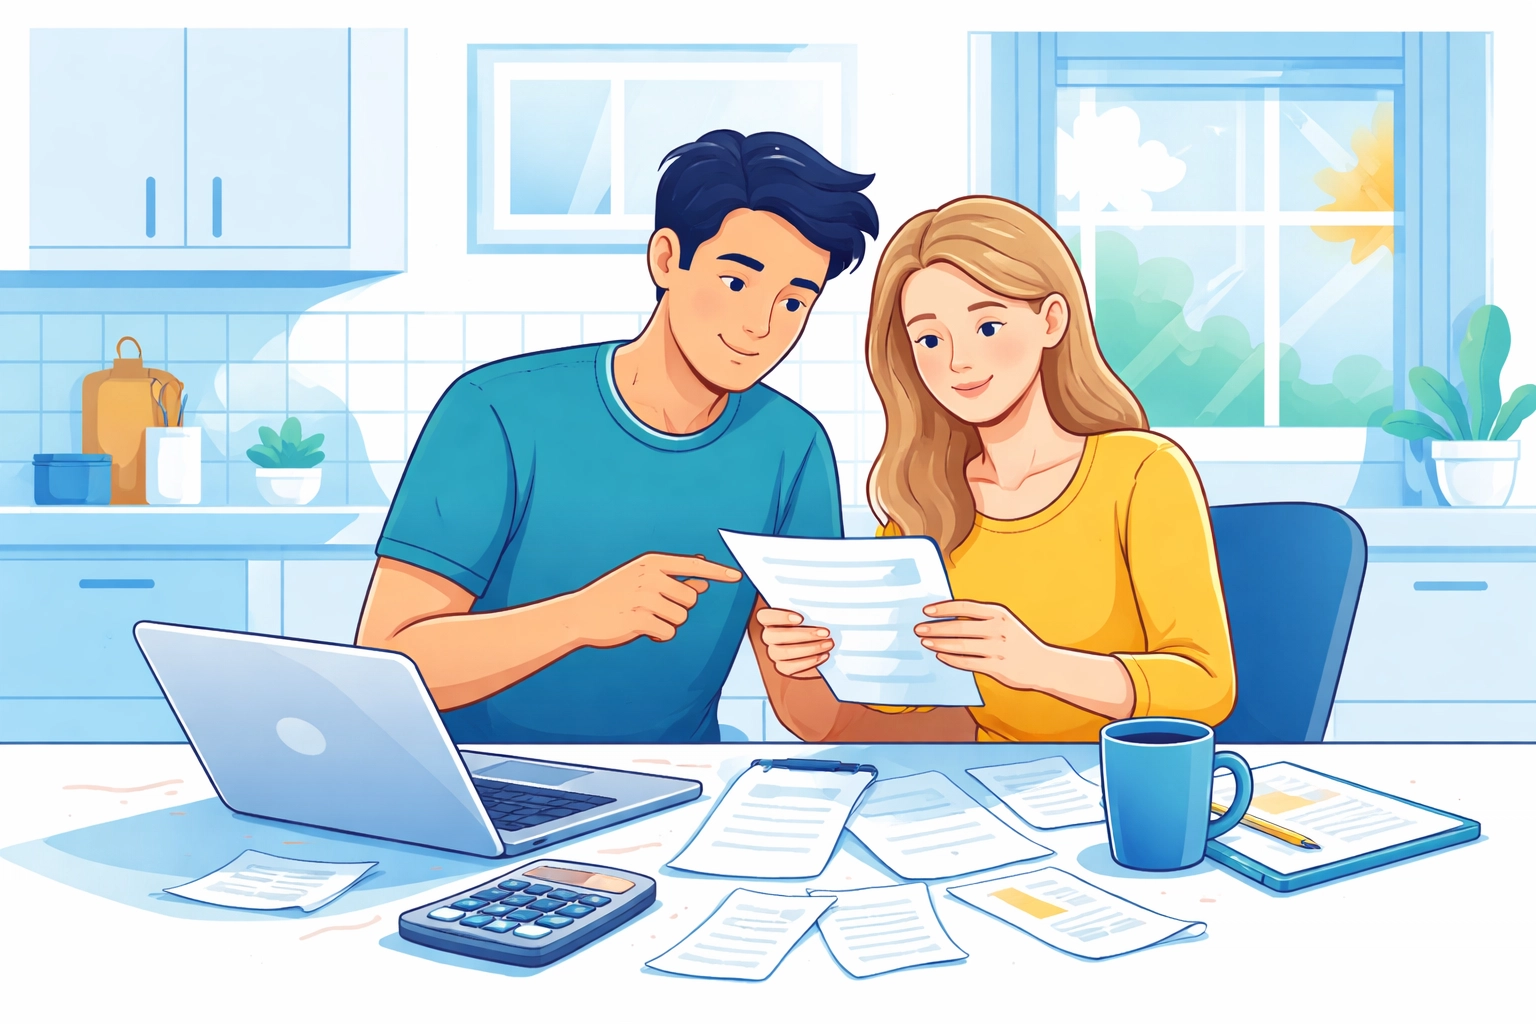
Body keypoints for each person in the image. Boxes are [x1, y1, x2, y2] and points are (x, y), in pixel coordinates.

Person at [355, 129, 878, 744]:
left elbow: (806, 713)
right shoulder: (495, 410)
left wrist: (833, 668)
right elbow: (388, 664)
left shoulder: (793, 445)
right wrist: (582, 617)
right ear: (666, 259)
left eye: (795, 302)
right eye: (736, 283)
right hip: (489, 782)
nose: (760, 326)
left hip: (683, 789)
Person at [753, 195, 1236, 743]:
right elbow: (906, 704)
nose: (958, 361)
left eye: (986, 327)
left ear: (1051, 320)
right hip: (986, 787)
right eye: (930, 340)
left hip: (1119, 778)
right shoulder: (922, 502)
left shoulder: (1142, 472)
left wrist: (1040, 665)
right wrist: (821, 657)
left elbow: (1207, 688)